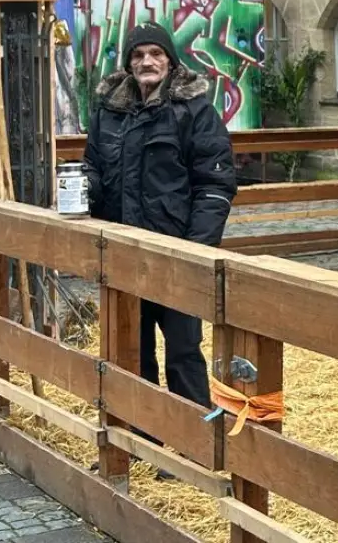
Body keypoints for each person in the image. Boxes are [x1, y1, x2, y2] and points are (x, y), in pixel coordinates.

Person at [82, 23, 236, 420]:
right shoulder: (109, 112)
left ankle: (195, 442)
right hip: (123, 251)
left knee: (183, 351)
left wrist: (194, 249)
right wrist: (81, 191)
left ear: (169, 59)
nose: (147, 61)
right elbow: (94, 167)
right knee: (134, 349)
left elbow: (215, 184)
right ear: (129, 63)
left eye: (155, 53)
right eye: (138, 55)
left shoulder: (195, 111)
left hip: (175, 251)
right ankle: (144, 434)